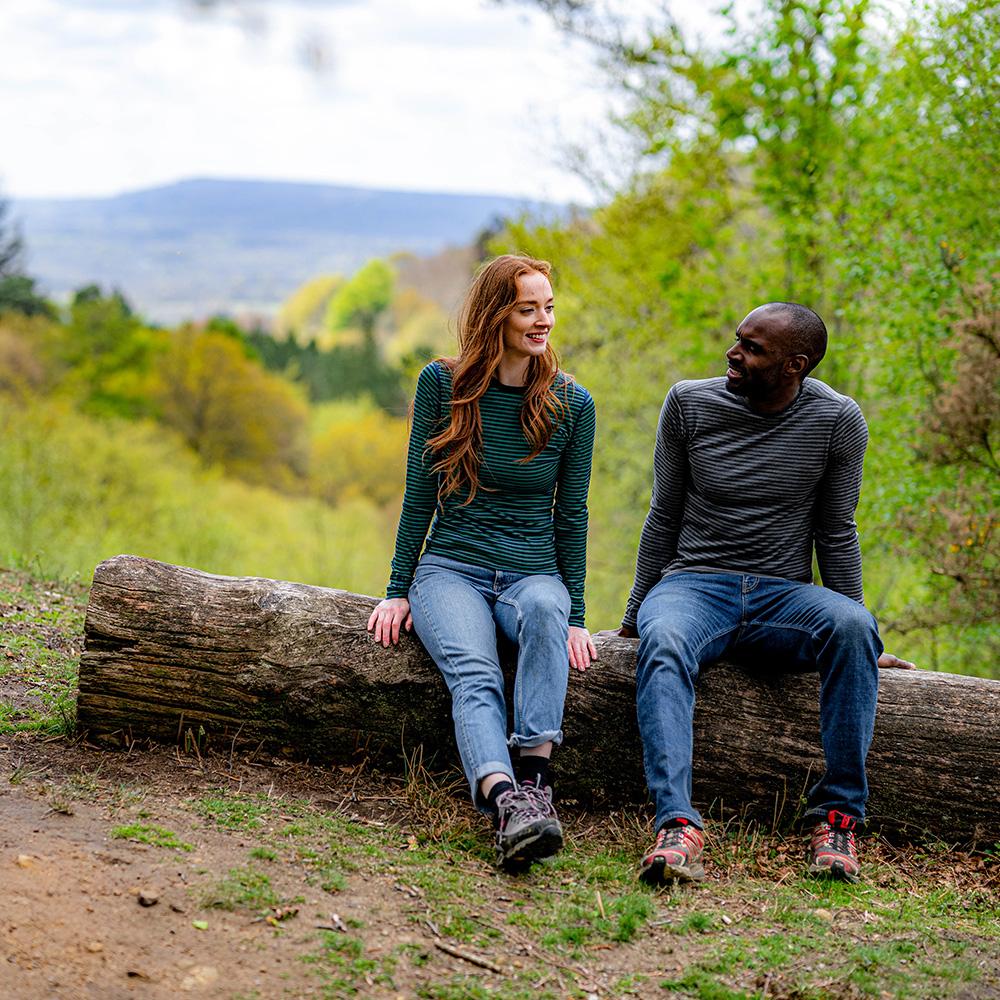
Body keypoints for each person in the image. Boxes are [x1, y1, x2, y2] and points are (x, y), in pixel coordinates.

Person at [618, 302, 914, 886]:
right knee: (665, 638)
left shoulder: (837, 421)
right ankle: (676, 824)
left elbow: (836, 530)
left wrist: (859, 624)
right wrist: (634, 616)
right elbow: (663, 515)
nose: (733, 354)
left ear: (794, 366)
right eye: (737, 340)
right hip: (693, 585)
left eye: (752, 349)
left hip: (784, 596)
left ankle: (836, 820)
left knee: (854, 627)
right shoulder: (689, 404)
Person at [367, 253, 597, 871]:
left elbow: (571, 515)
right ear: (496, 314)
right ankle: (504, 802)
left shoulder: (573, 404)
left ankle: (536, 786)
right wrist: (396, 588)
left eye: (549, 307)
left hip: (532, 572)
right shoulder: (442, 386)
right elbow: (419, 494)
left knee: (546, 617)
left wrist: (577, 612)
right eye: (528, 309)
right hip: (450, 569)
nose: (543, 320)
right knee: (476, 675)